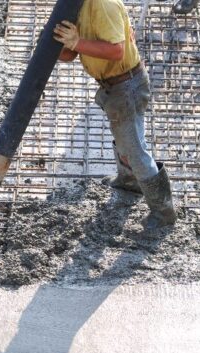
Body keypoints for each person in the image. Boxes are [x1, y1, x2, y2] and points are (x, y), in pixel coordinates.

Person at [53, 0, 176, 229]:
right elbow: (70, 53)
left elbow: (116, 51)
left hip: (127, 85)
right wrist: (56, 45)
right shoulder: (76, 4)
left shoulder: (103, 4)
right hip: (114, 85)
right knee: (123, 137)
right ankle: (129, 180)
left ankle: (163, 212)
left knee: (134, 148)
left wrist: (77, 41)